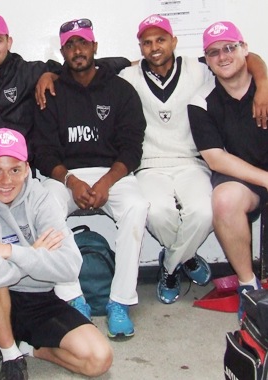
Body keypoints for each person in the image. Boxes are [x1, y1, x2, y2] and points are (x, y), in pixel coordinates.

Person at [0, 13, 130, 264]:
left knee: (28, 221)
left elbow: (84, 66)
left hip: (17, 176)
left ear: (9, 42)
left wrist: (134, 62)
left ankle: (13, 272)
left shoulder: (30, 71)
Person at [119, 15, 268, 305]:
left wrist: (263, 83)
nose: (155, 47)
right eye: (147, 43)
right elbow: (95, 72)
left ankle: (170, 263)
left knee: (203, 212)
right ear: (140, 48)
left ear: (173, 41)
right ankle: (182, 259)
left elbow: (248, 59)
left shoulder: (201, 70)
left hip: (191, 162)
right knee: (158, 212)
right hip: (150, 164)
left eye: (160, 40)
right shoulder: (128, 77)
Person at [0, 127, 113, 380]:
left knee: (98, 359)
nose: (6, 181)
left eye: (14, 170)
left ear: (26, 169)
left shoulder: (40, 198)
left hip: (37, 298)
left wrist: (10, 251)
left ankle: (23, 347)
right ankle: (10, 355)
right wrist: (35, 254)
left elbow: (70, 265)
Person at [33, 18, 148, 339]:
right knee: (45, 204)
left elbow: (132, 147)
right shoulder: (51, 90)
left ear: (95, 47)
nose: (77, 50)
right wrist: (71, 182)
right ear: (62, 51)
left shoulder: (121, 90)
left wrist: (107, 183)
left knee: (137, 207)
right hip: (66, 176)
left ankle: (119, 302)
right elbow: (43, 152)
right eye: (70, 45)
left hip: (112, 173)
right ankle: (73, 296)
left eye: (82, 43)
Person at [188, 21, 268, 321]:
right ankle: (249, 288)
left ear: (244, 48)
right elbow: (216, 159)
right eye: (213, 52)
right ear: (206, 60)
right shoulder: (200, 102)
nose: (223, 56)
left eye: (230, 48)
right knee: (223, 200)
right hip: (242, 179)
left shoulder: (264, 85)